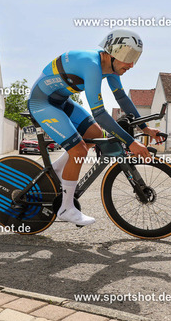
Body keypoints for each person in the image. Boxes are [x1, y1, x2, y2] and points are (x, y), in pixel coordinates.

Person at [28, 29, 163, 226]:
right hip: (42, 103)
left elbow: (122, 98)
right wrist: (131, 143)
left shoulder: (111, 68)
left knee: (95, 133)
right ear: (113, 52)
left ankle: (57, 169)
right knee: (78, 150)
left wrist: (145, 129)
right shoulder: (92, 65)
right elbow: (99, 113)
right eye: (128, 57)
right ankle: (66, 208)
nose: (131, 65)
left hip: (61, 101)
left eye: (135, 58)